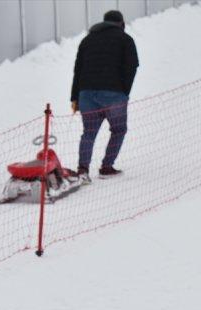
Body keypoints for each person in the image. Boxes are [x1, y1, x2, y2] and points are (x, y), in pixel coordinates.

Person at [71, 10, 139, 182]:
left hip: (86, 94)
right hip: (113, 94)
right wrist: (124, 92)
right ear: (121, 23)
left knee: (89, 132)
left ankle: (82, 170)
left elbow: (77, 70)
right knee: (118, 130)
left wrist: (75, 98)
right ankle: (107, 167)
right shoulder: (125, 39)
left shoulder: (87, 40)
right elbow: (132, 66)